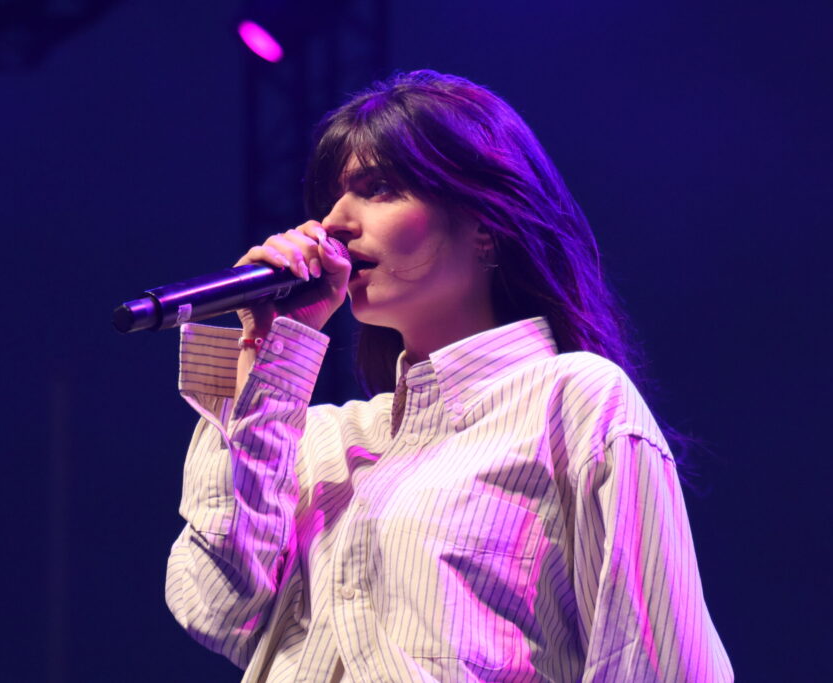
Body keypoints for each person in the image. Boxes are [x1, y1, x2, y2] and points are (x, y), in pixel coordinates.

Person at [165, 70, 732, 682]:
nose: (333, 222)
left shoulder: (573, 401)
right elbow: (219, 612)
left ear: (485, 224)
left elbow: (661, 666)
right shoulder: (316, 440)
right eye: (331, 197)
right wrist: (271, 355)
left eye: (379, 189)